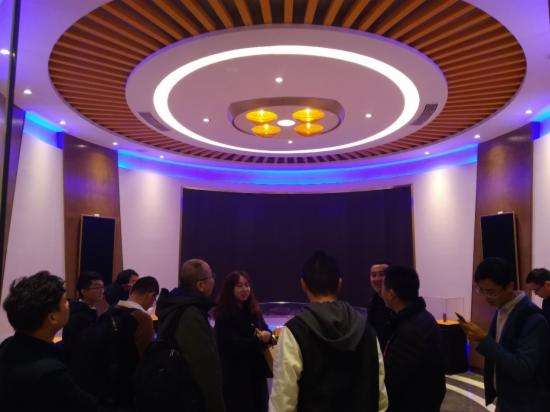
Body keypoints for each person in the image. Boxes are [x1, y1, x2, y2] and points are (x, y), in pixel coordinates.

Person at [269, 251, 388, 412]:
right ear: (339, 283)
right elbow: (379, 392)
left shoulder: (295, 330)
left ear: (303, 284)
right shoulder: (365, 327)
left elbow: (283, 400)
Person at [460, 258, 550, 411]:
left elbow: (523, 368)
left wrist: (484, 339)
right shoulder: (502, 308)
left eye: (491, 292)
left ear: (509, 286)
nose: (486, 297)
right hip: (505, 399)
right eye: (481, 290)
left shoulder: (533, 318)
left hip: (525, 404)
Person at [0, 271, 98, 411]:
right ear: (53, 318)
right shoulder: (51, 373)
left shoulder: (7, 344)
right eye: (65, 301)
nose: (69, 304)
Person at [156, 259, 225, 412]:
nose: (214, 280)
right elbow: (205, 369)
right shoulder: (191, 315)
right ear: (201, 285)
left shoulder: (174, 306)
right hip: (191, 399)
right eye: (211, 276)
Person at [381, 265, 446, 412]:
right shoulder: (422, 317)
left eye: (383, 287)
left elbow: (396, 378)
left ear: (391, 294)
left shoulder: (411, 329)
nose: (381, 292)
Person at [214, 271, 272, 412]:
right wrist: (258, 340)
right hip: (235, 376)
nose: (244, 289)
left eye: (247, 285)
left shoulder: (254, 310)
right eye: (239, 286)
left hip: (256, 374)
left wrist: (268, 335)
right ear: (230, 289)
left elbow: (266, 330)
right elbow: (230, 345)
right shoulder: (223, 314)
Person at [63, 271, 104, 361]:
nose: (102, 291)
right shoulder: (77, 315)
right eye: (97, 288)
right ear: (83, 291)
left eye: (102, 287)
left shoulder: (91, 310)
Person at [366, 263, 393, 348]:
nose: (377, 279)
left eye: (381, 274)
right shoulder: (373, 302)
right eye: (373, 275)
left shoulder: (396, 304)